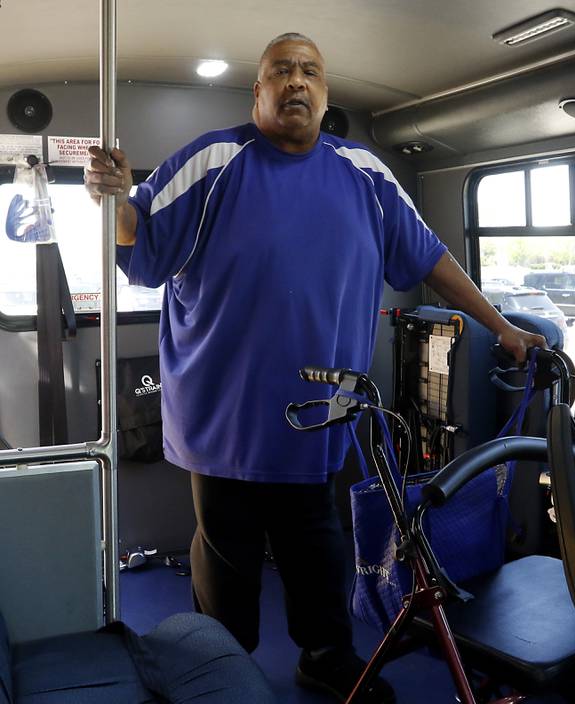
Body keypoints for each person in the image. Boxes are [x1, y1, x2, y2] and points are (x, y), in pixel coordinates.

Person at [85, 32, 546, 704]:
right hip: (223, 414)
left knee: (317, 548)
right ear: (259, 91)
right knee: (227, 556)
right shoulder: (215, 160)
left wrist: (501, 326)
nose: (295, 82)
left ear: (325, 94)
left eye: (309, 72)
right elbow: (142, 251)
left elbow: (431, 259)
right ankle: (221, 667)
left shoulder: (365, 173)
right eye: (281, 71)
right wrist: (117, 201)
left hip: (319, 416)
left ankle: (326, 657)